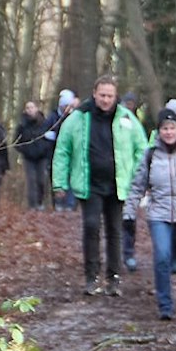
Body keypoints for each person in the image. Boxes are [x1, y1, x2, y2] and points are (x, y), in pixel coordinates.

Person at [52, 75, 150, 296]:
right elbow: (62, 151)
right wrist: (59, 182)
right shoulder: (77, 119)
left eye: (110, 96)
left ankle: (114, 277)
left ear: (116, 97)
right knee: (91, 226)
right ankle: (91, 276)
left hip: (118, 185)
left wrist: (139, 179)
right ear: (94, 94)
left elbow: (142, 150)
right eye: (102, 95)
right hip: (89, 183)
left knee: (115, 230)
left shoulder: (127, 119)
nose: (106, 100)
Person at [131, 108, 176, 320]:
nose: (169, 132)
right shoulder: (151, 154)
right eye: (165, 128)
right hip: (159, 214)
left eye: (172, 127)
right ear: (159, 131)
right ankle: (165, 304)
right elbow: (138, 186)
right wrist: (129, 212)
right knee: (162, 257)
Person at [14, 102, 56, 209]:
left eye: (32, 107)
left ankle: (40, 202)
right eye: (27, 108)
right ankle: (32, 205)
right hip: (28, 158)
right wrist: (24, 150)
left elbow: (50, 138)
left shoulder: (45, 123)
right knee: (31, 181)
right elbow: (16, 142)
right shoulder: (22, 125)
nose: (30, 110)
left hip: (42, 157)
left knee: (41, 180)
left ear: (36, 109)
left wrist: (45, 148)